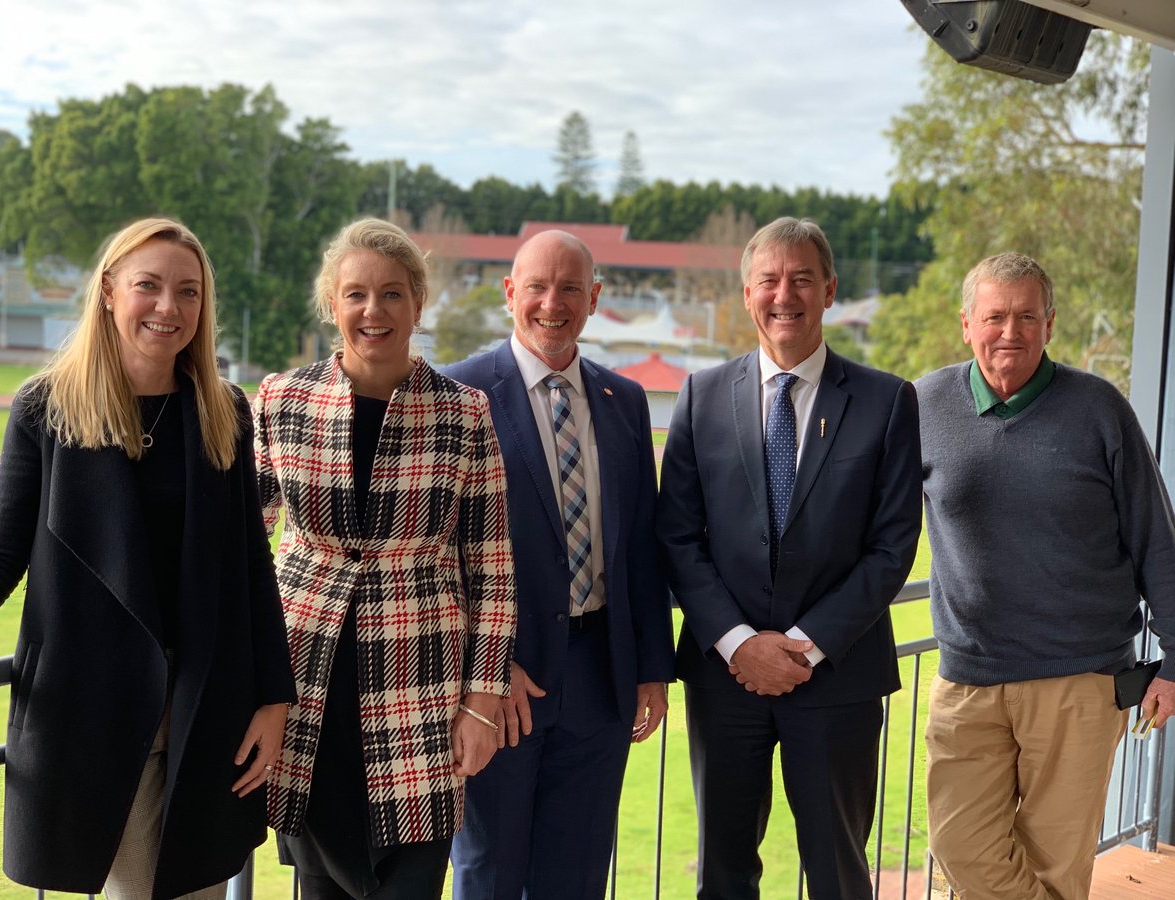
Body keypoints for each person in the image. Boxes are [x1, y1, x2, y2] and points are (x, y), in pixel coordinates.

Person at [0, 217, 296, 899]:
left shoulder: (223, 412)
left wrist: (274, 699)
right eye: (148, 286)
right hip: (93, 717)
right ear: (109, 293)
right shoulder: (47, 409)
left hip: (205, 715)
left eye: (188, 291)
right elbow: (0, 552)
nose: (168, 307)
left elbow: (251, 563)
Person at [657, 217, 922, 900]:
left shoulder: (887, 401)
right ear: (747, 295)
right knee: (724, 871)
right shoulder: (700, 397)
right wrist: (741, 645)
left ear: (829, 290)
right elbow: (678, 538)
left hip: (838, 679)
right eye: (769, 280)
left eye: (802, 278)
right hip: (726, 681)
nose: (785, 294)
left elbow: (892, 548)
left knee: (836, 871)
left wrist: (802, 648)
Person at [256, 217, 516, 900]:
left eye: (393, 294)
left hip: (420, 687)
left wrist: (483, 703)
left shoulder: (464, 413)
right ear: (332, 305)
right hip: (306, 686)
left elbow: (491, 568)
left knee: (411, 875)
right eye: (356, 295)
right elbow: (238, 555)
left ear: (418, 305)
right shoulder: (282, 400)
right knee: (320, 882)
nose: (374, 311)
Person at [917, 252, 1175, 900]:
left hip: (1078, 679)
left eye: (1027, 316)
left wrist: (1173, 661)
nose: (1011, 331)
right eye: (996, 316)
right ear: (966, 323)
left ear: (1050, 324)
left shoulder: (1099, 409)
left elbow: (1155, 537)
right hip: (969, 675)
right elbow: (872, 520)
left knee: (1056, 861)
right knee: (958, 844)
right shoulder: (924, 404)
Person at [444, 229, 674, 900]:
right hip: (502, 687)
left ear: (595, 298)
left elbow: (640, 545)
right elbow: (437, 551)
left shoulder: (624, 401)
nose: (553, 303)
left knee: (574, 879)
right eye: (537, 287)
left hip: (602, 680)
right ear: (509, 293)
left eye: (570, 287)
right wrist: (481, 667)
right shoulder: (459, 393)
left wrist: (651, 669)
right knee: (488, 875)